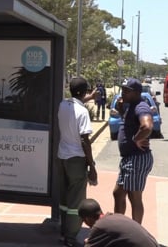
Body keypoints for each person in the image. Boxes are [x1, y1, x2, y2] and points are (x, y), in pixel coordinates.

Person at [57, 77, 98, 246]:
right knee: (76, 202)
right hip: (76, 160)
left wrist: (89, 96)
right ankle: (71, 238)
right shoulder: (83, 113)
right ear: (84, 92)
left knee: (65, 199)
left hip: (62, 157)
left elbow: (75, 102)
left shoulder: (62, 105)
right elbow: (84, 140)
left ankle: (63, 232)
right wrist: (92, 165)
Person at [113, 78, 154, 224]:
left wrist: (136, 139)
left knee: (134, 197)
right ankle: (119, 228)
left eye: (126, 91)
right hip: (129, 158)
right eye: (122, 90)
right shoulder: (130, 105)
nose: (122, 93)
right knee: (118, 193)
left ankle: (135, 233)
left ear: (136, 93)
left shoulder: (141, 107)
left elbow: (147, 126)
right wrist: (120, 109)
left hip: (137, 158)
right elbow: (129, 124)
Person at [78, 198, 160, 247]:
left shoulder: (99, 226)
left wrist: (88, 242)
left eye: (84, 221)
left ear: (87, 219)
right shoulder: (116, 216)